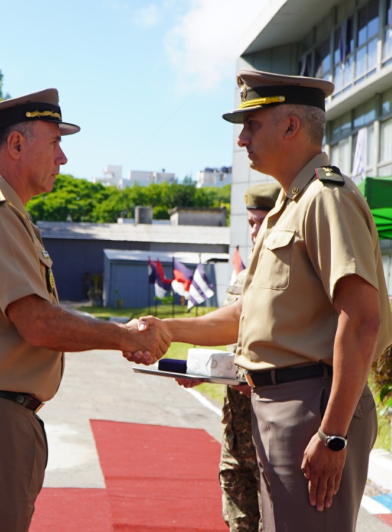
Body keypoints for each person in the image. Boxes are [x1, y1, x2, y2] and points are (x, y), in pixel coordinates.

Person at [132, 70, 392, 532]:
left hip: (311, 407)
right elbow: (245, 314)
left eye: (252, 124)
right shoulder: (289, 204)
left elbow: (362, 320)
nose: (241, 139)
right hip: (279, 406)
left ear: (291, 126)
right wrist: (170, 331)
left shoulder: (325, 198)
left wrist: (332, 435)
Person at [0, 88, 170, 532]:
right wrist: (125, 336)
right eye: (55, 142)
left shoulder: (8, 213)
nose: (64, 158)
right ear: (16, 145)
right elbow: (37, 323)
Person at [177, 182, 281, 531]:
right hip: (237, 438)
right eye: (251, 223)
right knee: (239, 524)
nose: (255, 232)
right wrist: (206, 371)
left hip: (277, 439)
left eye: (262, 221)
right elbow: (237, 348)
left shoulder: (298, 283)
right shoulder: (240, 284)